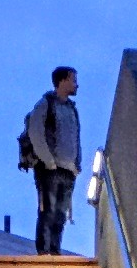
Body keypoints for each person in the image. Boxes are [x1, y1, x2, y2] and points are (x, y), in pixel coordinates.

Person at [18, 66, 86, 254]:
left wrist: (76, 165)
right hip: (49, 169)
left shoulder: (72, 109)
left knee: (60, 215)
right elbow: (35, 132)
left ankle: (55, 252)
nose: (76, 84)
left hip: (68, 170)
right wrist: (48, 160)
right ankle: (44, 253)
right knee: (47, 212)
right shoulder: (45, 104)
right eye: (73, 80)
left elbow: (76, 137)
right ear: (62, 81)